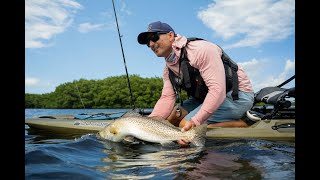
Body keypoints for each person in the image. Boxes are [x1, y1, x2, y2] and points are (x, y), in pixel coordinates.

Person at [137, 21, 254, 146]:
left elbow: (217, 90)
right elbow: (167, 97)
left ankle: (239, 124)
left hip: (237, 95)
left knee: (184, 125)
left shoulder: (201, 50)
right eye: (147, 42)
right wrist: (148, 123)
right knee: (172, 118)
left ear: (171, 36)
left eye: (154, 38)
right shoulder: (168, 69)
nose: (151, 44)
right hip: (204, 98)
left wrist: (195, 121)